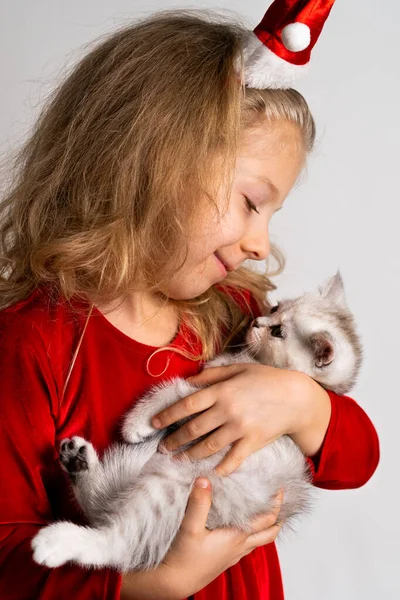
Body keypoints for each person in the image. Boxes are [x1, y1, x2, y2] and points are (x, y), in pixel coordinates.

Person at [0, 6, 379, 600]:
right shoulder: (34, 344)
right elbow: (5, 555)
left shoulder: (231, 318)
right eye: (252, 203)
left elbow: (357, 459)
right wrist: (155, 584)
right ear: (155, 162)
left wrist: (302, 404)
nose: (261, 244)